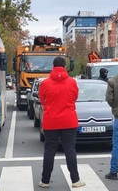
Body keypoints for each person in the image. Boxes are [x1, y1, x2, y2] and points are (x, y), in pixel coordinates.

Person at [38, 57, 85, 188]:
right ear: (64, 66)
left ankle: (45, 180)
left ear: (53, 66)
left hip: (51, 121)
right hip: (69, 120)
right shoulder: (72, 82)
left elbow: (42, 100)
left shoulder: (45, 83)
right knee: (70, 150)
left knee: (49, 151)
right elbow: (75, 97)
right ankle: (75, 180)